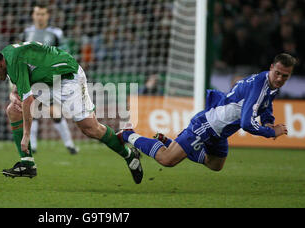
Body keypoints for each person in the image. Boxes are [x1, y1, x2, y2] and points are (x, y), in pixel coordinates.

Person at [0, 41, 143, 184]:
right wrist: (13, 94)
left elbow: (28, 100)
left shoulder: (13, 60)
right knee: (13, 109)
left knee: (90, 128)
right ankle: (27, 164)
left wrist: (26, 135)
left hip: (67, 77)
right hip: (47, 81)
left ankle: (129, 155)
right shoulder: (7, 56)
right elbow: (21, 78)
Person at [117, 53, 295, 171]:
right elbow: (246, 123)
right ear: (272, 67)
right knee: (167, 159)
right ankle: (128, 135)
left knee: (215, 164)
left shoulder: (269, 82)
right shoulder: (259, 86)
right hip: (208, 125)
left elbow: (266, 102)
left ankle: (173, 143)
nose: (280, 78)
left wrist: (268, 119)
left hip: (219, 131)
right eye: (277, 73)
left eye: (285, 76)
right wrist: (271, 131)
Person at [18, 2, 78, 155]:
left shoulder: (56, 33)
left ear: (47, 15)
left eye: (43, 14)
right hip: (32, 77)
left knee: (54, 111)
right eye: (37, 14)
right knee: (34, 109)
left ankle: (69, 144)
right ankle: (34, 146)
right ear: (33, 15)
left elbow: (65, 53)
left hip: (51, 77)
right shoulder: (26, 33)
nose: (40, 17)